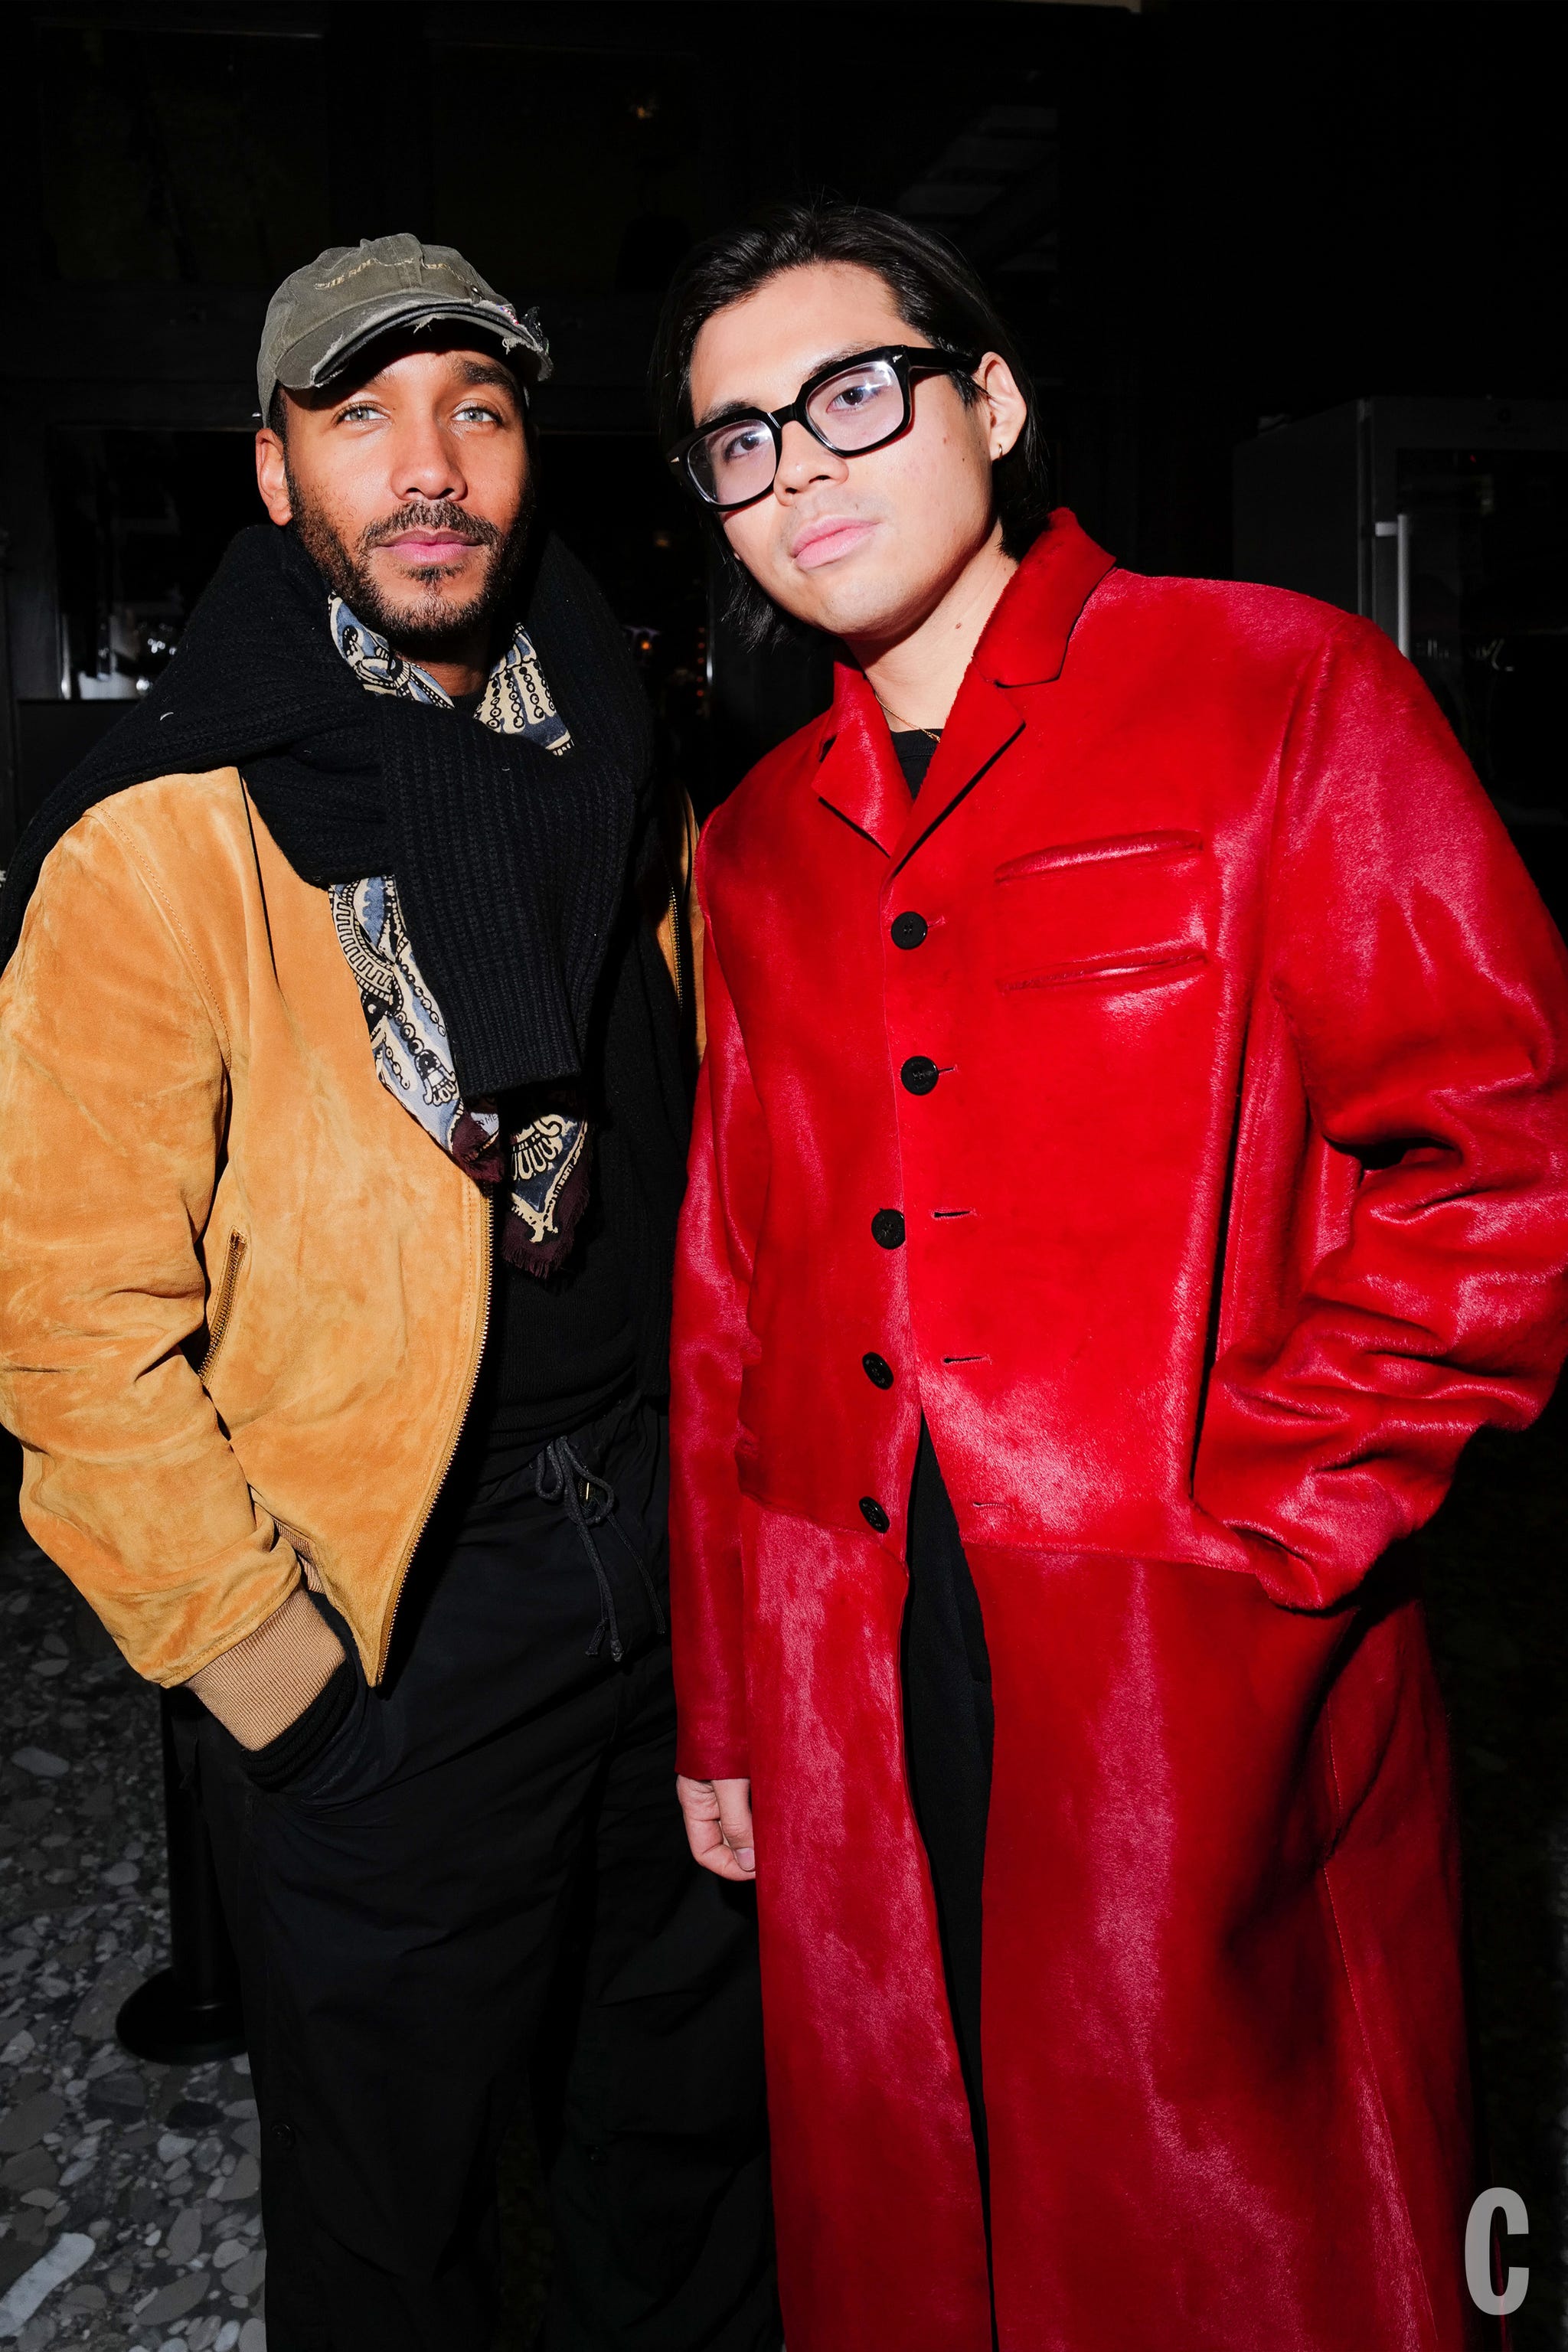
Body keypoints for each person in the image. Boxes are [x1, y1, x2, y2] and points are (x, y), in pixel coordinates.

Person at [652, 201, 1568, 2352]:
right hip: (849, 1649)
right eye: (738, 443)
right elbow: (729, 1279)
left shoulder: (1278, 693)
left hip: (1196, 1663)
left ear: (990, 398)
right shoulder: (756, 835)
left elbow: (1505, 1156)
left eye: (849, 394)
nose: (800, 469)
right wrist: (727, 1687)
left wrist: (1284, 1520)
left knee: (1228, 2227)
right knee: (914, 2206)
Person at [0, 234, 777, 2352]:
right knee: (398, 2220)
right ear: (275, 475)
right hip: (393, 1604)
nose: (429, 470)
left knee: (692, 2152)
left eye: (480, 412)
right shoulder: (157, 846)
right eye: (362, 417)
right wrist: (274, 1677)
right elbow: (72, 1338)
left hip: (662, 1567)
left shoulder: (619, 759)